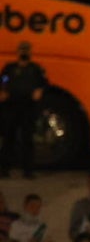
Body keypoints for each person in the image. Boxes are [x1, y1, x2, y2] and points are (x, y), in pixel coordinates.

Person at [0, 40, 47, 179]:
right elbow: (3, 80)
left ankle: (28, 171)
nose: (24, 52)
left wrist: (40, 90)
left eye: (27, 50)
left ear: (30, 52)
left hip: (28, 108)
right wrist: (2, 90)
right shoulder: (10, 68)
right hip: (11, 106)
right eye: (22, 50)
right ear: (18, 52)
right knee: (9, 138)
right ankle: (4, 169)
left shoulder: (36, 69)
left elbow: (44, 84)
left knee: (27, 140)